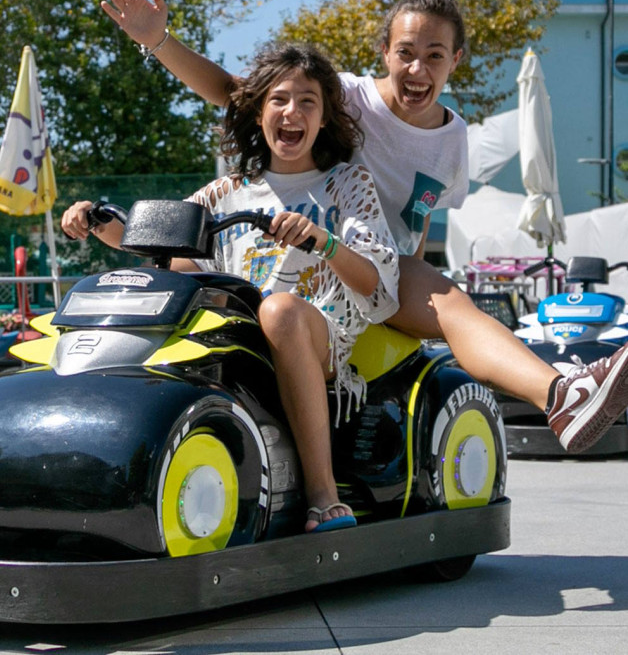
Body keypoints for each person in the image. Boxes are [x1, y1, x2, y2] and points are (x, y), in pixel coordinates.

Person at [96, 0, 628, 456]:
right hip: (320, 265)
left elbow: (417, 227)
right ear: (384, 51)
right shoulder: (343, 96)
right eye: (406, 52)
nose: (418, 69)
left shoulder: (453, 138)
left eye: (435, 55)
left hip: (376, 271)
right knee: (182, 264)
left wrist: (405, 307)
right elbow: (237, 94)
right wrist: (157, 40)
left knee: (453, 306)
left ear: (455, 61)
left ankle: (561, 395)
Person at [61, 42, 400, 534]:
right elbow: (162, 246)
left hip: (316, 331)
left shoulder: (345, 184)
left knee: (281, 310)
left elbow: (377, 280)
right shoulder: (227, 192)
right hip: (237, 333)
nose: (293, 112)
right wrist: (93, 220)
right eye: (280, 99)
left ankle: (322, 494)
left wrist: (324, 242)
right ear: (260, 111)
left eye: (308, 101)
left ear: (324, 118)